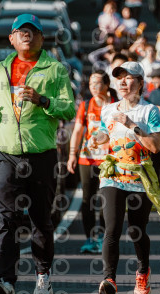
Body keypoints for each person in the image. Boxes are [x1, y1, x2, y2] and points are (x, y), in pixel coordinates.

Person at [0, 14, 75, 294]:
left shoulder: (55, 69)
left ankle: (42, 276)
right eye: (21, 31)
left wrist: (43, 100)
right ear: (11, 38)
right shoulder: (0, 69)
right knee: (7, 219)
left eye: (32, 31)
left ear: (41, 38)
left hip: (41, 154)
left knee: (40, 219)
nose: (27, 35)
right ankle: (6, 283)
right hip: (6, 152)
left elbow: (69, 109)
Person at [90, 61, 160, 294]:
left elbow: (155, 146)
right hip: (113, 174)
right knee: (112, 228)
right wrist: (96, 138)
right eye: (120, 78)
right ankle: (109, 280)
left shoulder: (149, 111)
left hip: (139, 176)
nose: (123, 82)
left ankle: (143, 272)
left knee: (136, 230)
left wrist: (131, 125)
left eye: (129, 77)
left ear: (140, 82)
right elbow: (104, 132)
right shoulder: (108, 109)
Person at [67, 70, 116, 254]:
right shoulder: (86, 105)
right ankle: (89, 238)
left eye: (98, 83)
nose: (94, 87)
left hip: (109, 159)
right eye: (91, 84)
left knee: (106, 199)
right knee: (87, 199)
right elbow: (78, 131)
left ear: (107, 85)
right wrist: (72, 155)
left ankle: (103, 238)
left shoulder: (115, 105)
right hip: (87, 159)